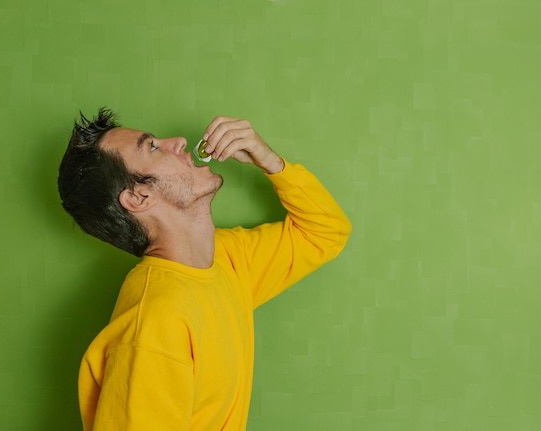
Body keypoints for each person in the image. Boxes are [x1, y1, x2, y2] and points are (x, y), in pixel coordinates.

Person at [57, 107, 352, 430]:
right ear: (138, 197)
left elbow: (324, 232)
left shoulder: (225, 258)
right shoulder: (154, 325)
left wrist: (270, 162)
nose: (180, 141)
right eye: (152, 147)